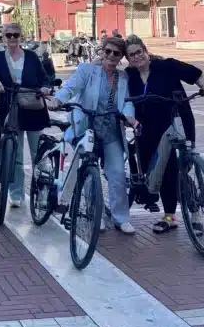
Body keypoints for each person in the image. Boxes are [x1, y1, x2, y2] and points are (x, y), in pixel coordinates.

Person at [125, 36, 204, 234]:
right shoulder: (129, 75)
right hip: (148, 129)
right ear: (128, 58)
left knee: (179, 170)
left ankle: (194, 214)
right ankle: (169, 217)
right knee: (161, 173)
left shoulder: (166, 66)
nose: (137, 57)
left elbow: (194, 74)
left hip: (177, 123)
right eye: (131, 55)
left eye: (139, 52)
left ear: (145, 50)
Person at [49, 35, 139, 234]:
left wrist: (129, 116)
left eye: (116, 53)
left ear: (121, 57)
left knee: (117, 174)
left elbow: (127, 101)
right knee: (90, 173)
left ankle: (121, 218)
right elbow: (71, 87)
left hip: (111, 131)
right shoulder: (87, 70)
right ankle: (94, 212)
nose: (111, 56)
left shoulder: (122, 78)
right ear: (102, 51)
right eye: (108, 51)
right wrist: (58, 99)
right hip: (87, 128)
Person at [0, 22, 52, 208]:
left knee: (39, 155)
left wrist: (46, 87)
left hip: (33, 109)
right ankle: (16, 193)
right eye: (9, 35)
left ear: (21, 36)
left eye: (16, 35)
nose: (13, 38)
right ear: (4, 37)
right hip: (10, 109)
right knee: (15, 154)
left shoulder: (31, 56)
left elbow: (45, 77)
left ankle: (43, 193)